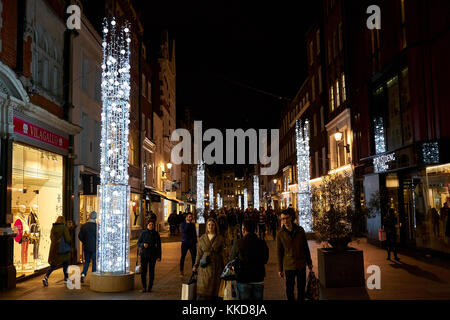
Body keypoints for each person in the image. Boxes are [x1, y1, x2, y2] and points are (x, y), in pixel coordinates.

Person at [276, 209, 312, 301]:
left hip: (301, 264)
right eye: (282, 219)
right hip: (289, 265)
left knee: (301, 289)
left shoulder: (300, 230)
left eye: (286, 218)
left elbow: (305, 247)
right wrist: (280, 268)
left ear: (291, 218)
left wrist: (309, 262)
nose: (285, 221)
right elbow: (279, 252)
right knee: (289, 289)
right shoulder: (280, 234)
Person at [230, 220, 269, 300]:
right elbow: (265, 259)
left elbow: (232, 260)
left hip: (243, 278)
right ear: (255, 230)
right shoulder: (261, 243)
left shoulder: (238, 243)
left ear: (243, 229)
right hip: (258, 278)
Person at [192, 218, 225, 300]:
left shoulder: (220, 238)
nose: (211, 226)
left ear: (215, 226)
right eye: (209, 225)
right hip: (204, 265)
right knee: (204, 286)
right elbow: (198, 253)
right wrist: (195, 265)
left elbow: (224, 253)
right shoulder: (202, 238)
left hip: (216, 265)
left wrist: (226, 265)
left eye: (212, 225)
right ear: (206, 226)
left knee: (215, 287)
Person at [42, 216, 71, 286]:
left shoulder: (53, 227)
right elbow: (68, 239)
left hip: (55, 249)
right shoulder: (64, 228)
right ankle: (66, 278)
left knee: (53, 265)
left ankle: (46, 277)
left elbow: (51, 238)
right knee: (65, 264)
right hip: (63, 250)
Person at [137, 220, 162, 292]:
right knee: (143, 272)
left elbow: (159, 246)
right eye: (149, 224)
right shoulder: (143, 233)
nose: (151, 226)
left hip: (152, 255)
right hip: (144, 255)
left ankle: (150, 287)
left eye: (152, 224)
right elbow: (138, 243)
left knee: (151, 272)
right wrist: (143, 245)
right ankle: (144, 287)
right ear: (147, 225)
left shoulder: (156, 233)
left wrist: (159, 256)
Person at [78, 211, 97, 283]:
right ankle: (94, 275)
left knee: (87, 261)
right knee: (94, 261)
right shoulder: (97, 226)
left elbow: (80, 236)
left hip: (86, 247)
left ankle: (83, 274)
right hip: (94, 247)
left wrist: (84, 242)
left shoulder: (84, 226)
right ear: (95, 217)